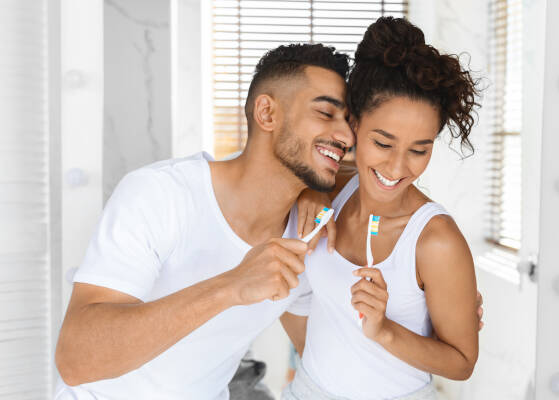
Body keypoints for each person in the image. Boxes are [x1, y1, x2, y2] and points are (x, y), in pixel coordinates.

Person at [53, 43, 354, 400]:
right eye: (325, 113)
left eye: (350, 122)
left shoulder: (308, 234)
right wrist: (231, 286)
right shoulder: (160, 195)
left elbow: (318, 358)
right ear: (267, 113)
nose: (347, 137)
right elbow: (76, 360)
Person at [283, 17, 481, 400]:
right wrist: (310, 191)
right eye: (383, 143)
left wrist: (384, 330)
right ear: (354, 124)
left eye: (419, 150)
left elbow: (462, 362)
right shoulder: (329, 190)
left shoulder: (435, 241)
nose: (396, 167)